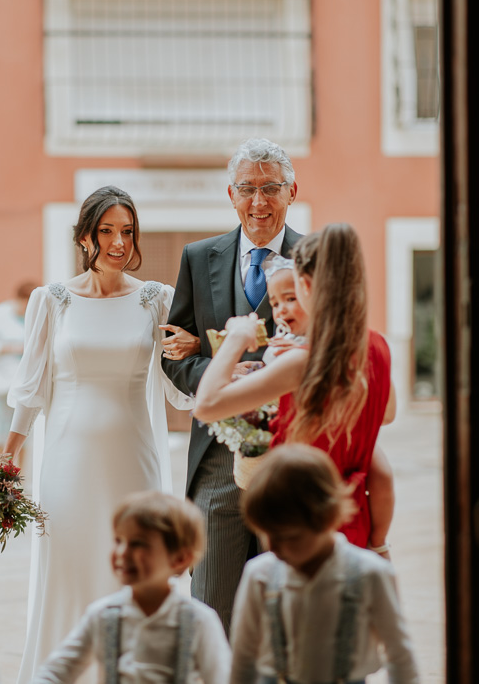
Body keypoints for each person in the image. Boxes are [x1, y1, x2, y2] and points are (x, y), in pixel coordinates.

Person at [3, 186, 200, 683]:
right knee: (69, 569)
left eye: (127, 231)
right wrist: (6, 461)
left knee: (137, 566)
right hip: (67, 462)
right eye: (106, 230)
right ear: (86, 234)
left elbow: (180, 391)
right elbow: (29, 391)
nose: (118, 242)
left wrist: (203, 356)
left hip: (135, 461)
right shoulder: (51, 301)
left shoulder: (158, 300)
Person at [162, 137, 303, 634]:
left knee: (287, 615)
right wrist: (218, 376)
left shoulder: (313, 258)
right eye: (247, 188)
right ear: (230, 193)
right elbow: (175, 355)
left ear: (291, 192)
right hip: (218, 461)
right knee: (211, 611)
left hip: (291, 458)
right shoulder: (199, 258)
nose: (258, 201)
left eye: (270, 188)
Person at [193, 224, 398, 555]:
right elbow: (386, 415)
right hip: (356, 527)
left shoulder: (301, 363)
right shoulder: (377, 346)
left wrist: (235, 338)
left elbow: (206, 405)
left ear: (304, 284)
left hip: (302, 528)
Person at [229, 444, 419, 684]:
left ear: (327, 518)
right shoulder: (259, 575)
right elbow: (243, 658)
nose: (274, 548)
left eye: (288, 538)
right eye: (268, 536)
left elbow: (400, 657)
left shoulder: (370, 574)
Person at [260, 257, 397, 559]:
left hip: (325, 457)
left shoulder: (311, 353)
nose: (280, 309)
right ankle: (379, 545)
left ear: (313, 292)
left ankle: (380, 540)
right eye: (274, 303)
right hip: (330, 461)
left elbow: (382, 412)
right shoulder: (280, 347)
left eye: (291, 298)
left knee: (382, 471)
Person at [32, 491, 230, 684]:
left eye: (138, 544)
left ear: (180, 558)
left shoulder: (198, 622)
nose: (123, 553)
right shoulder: (103, 615)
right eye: (118, 541)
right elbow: (56, 671)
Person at [0, 280, 38, 458]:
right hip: (0, 385)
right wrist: (13, 348)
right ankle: (1, 477)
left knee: (24, 431)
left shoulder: (33, 316)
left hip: (24, 385)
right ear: (19, 299)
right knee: (0, 432)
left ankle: (20, 475)